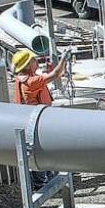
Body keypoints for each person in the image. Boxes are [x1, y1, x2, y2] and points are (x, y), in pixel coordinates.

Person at [10, 48, 66, 187]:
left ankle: (44, 178)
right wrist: (64, 58)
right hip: (36, 121)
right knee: (41, 151)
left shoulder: (21, 79)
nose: (37, 62)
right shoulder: (31, 82)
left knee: (36, 151)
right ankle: (41, 183)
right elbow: (56, 74)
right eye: (34, 60)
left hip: (28, 120)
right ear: (28, 65)